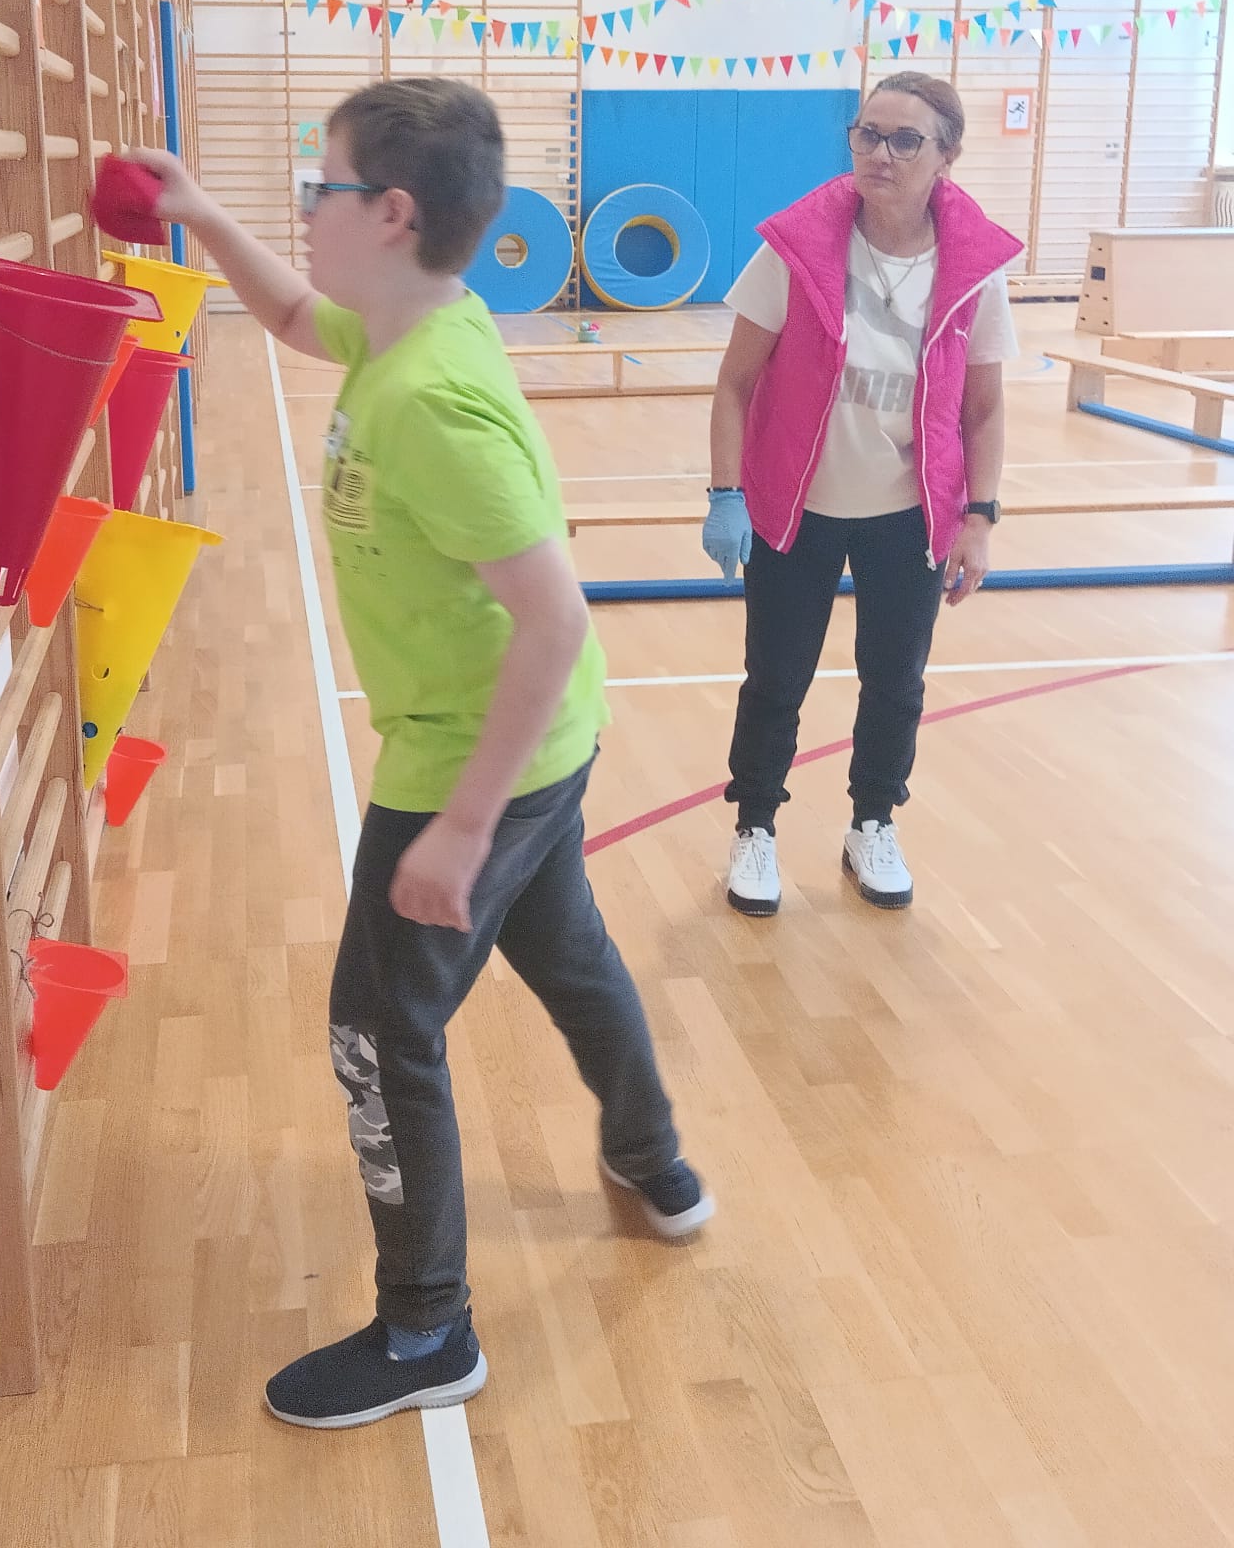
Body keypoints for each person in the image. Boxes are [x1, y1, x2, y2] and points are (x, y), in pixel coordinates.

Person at [111, 79, 711, 1433]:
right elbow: (288, 317)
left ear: (388, 212)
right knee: (569, 954)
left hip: (470, 760)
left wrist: (462, 828)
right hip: (536, 743)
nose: (303, 210)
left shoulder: (430, 400)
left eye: (316, 189)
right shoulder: (409, 326)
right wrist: (198, 212)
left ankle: (427, 1329)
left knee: (380, 1034)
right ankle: (654, 1160)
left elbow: (554, 618)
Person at [703, 73, 1021, 918]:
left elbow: (984, 410)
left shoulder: (974, 270)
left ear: (947, 155)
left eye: (905, 139)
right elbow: (735, 383)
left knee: (895, 682)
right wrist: (726, 493)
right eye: (867, 133)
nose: (880, 153)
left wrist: (980, 518)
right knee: (776, 679)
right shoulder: (796, 248)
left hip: (909, 515)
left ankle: (872, 821)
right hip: (795, 509)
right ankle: (755, 826)